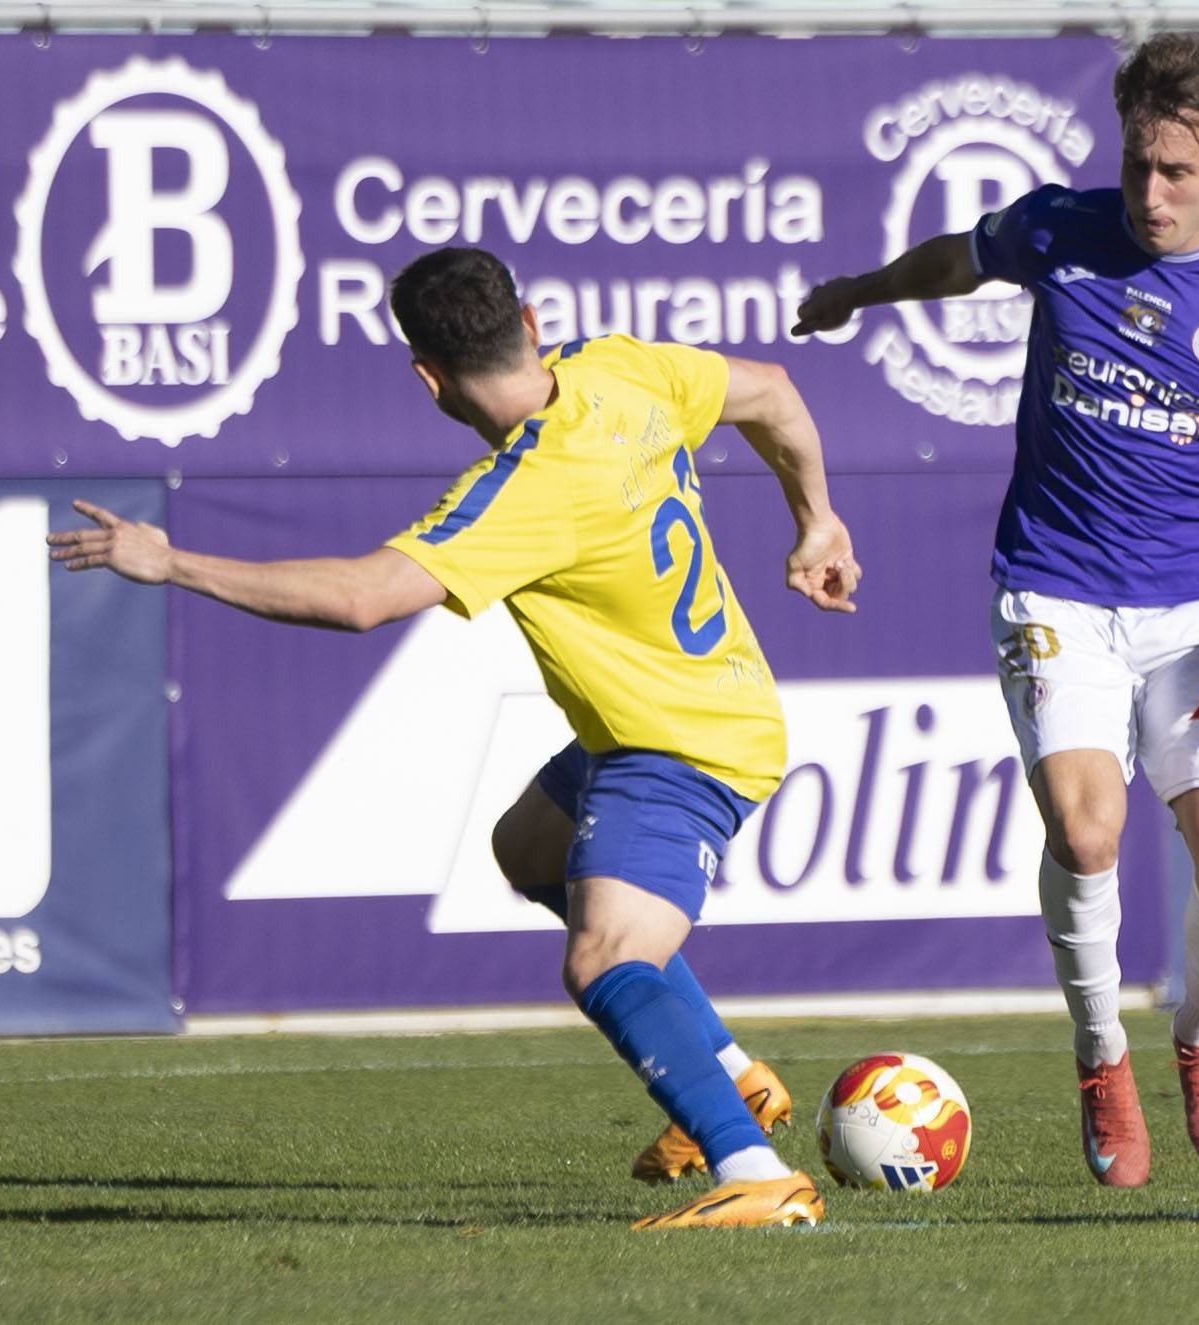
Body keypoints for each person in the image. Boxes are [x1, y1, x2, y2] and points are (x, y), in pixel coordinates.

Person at [51, 246, 861, 1229]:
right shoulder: (619, 367)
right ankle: (735, 1083)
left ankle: (757, 1173)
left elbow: (359, 599)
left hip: (679, 745)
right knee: (527, 847)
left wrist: (171, 560)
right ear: (529, 319)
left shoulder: (520, 487)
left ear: (427, 378)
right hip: (687, 712)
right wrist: (814, 520)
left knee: (605, 959)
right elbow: (772, 390)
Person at [793, 32, 1199, 1188]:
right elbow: (958, 259)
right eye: (1138, 164)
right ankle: (1100, 1053)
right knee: (1086, 832)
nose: (1149, 193)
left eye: (1176, 173)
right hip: (1054, 585)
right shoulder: (1060, 227)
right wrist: (856, 291)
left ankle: (1195, 1034)